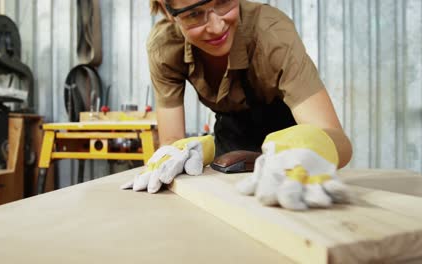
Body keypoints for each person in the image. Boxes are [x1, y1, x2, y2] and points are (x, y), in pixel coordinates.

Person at [120, 0, 352, 195]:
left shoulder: (272, 32)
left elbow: (337, 140)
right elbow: (171, 138)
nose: (217, 26)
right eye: (194, 14)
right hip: (230, 144)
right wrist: (188, 150)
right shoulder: (165, 47)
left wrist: (310, 148)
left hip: (290, 144)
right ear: (167, 9)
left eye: (222, 1)